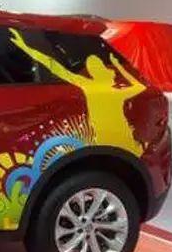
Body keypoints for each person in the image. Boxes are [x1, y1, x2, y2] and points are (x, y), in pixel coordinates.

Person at [9, 28, 146, 156]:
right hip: (106, 136)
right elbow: (55, 67)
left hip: (118, 134)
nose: (95, 69)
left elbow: (139, 87)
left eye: (97, 66)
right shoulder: (91, 85)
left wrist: (118, 66)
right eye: (93, 67)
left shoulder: (99, 87)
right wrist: (27, 48)